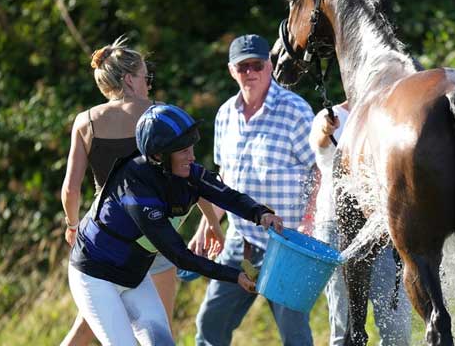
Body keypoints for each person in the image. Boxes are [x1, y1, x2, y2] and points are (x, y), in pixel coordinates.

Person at [67, 103, 283, 345]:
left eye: (191, 148)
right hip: (95, 276)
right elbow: (179, 255)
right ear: (159, 155)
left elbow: (226, 195)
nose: (191, 157)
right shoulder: (136, 191)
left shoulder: (183, 170)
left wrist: (261, 214)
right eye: (183, 151)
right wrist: (234, 276)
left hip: (133, 273)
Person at [193, 34, 316, 346]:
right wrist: (209, 221)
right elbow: (225, 180)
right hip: (240, 240)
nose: (250, 72)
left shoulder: (295, 110)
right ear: (232, 70)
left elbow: (322, 169)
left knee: (295, 335)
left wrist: (310, 220)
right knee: (210, 324)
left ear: (270, 66)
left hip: (288, 242)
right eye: (242, 66)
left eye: (256, 65)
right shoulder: (225, 115)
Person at [60, 38, 184, 345]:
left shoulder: (86, 121)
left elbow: (70, 191)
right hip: (151, 235)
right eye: (145, 76)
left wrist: (73, 225)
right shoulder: (160, 115)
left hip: (102, 235)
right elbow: (189, 173)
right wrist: (210, 220)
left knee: (89, 327)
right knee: (158, 333)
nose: (149, 83)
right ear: (129, 80)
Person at [306, 101, 412, 345]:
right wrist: (326, 131)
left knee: (398, 329)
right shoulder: (329, 116)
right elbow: (321, 148)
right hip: (336, 227)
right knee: (344, 327)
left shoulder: (394, 111)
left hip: (385, 230)